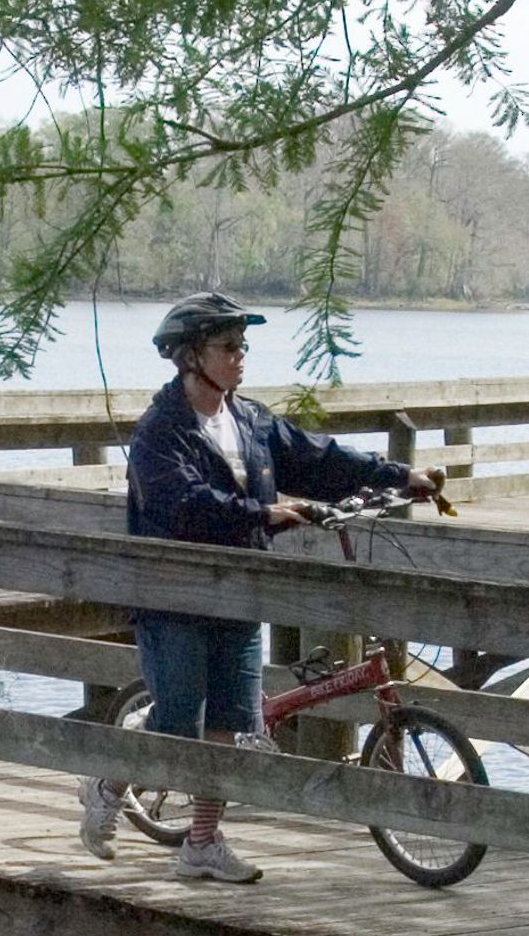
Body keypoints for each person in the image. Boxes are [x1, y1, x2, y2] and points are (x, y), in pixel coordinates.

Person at [84, 292, 442, 882]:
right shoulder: (159, 431)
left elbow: (319, 458)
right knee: (176, 720)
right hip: (175, 593)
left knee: (229, 718)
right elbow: (182, 504)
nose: (240, 356)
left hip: (243, 587)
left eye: (243, 346)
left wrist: (399, 475)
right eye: (228, 347)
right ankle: (108, 783)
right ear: (189, 356)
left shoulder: (250, 420)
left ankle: (200, 843)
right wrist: (264, 513)